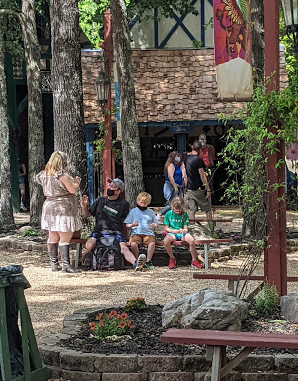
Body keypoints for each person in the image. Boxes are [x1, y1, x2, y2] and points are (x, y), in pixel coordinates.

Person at [81, 178, 146, 271]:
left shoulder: (123, 204)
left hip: (116, 232)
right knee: (89, 245)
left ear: (118, 191)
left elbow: (126, 220)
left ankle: (136, 264)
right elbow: (87, 214)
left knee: (124, 248)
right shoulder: (100, 201)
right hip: (99, 231)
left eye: (112, 186)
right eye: (110, 185)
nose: (109, 187)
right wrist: (84, 207)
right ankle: (91, 261)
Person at [36, 151, 81, 273]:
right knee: (64, 237)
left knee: (52, 236)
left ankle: (54, 264)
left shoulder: (44, 174)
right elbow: (72, 190)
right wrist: (76, 182)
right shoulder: (63, 176)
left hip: (49, 206)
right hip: (63, 206)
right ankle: (66, 265)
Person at [163, 197, 202, 270]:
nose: (178, 212)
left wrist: (183, 230)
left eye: (179, 211)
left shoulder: (185, 214)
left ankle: (194, 260)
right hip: (172, 232)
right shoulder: (168, 214)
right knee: (166, 241)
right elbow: (166, 228)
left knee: (191, 241)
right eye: (176, 211)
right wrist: (174, 231)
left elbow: (186, 228)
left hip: (181, 233)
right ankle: (172, 258)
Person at [184, 141, 213, 231]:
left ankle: (193, 230)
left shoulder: (187, 159)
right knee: (207, 209)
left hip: (189, 189)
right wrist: (208, 189)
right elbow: (201, 176)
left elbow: (189, 172)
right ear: (200, 149)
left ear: (192, 147)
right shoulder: (198, 160)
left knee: (192, 210)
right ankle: (211, 229)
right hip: (199, 189)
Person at [124, 192, 158, 270]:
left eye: (145, 203)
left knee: (152, 243)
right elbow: (127, 225)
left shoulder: (150, 212)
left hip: (148, 233)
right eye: (141, 202)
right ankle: (137, 261)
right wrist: (132, 225)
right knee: (133, 244)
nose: (143, 205)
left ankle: (148, 261)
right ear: (137, 201)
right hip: (136, 233)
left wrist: (153, 225)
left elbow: (156, 223)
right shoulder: (133, 211)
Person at [159, 151, 186, 218]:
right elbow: (170, 176)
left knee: (177, 202)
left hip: (179, 185)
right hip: (172, 186)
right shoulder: (171, 165)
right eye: (177, 157)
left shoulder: (177, 165)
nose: (179, 158)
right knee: (172, 203)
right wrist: (175, 186)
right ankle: (160, 214)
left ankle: (172, 216)